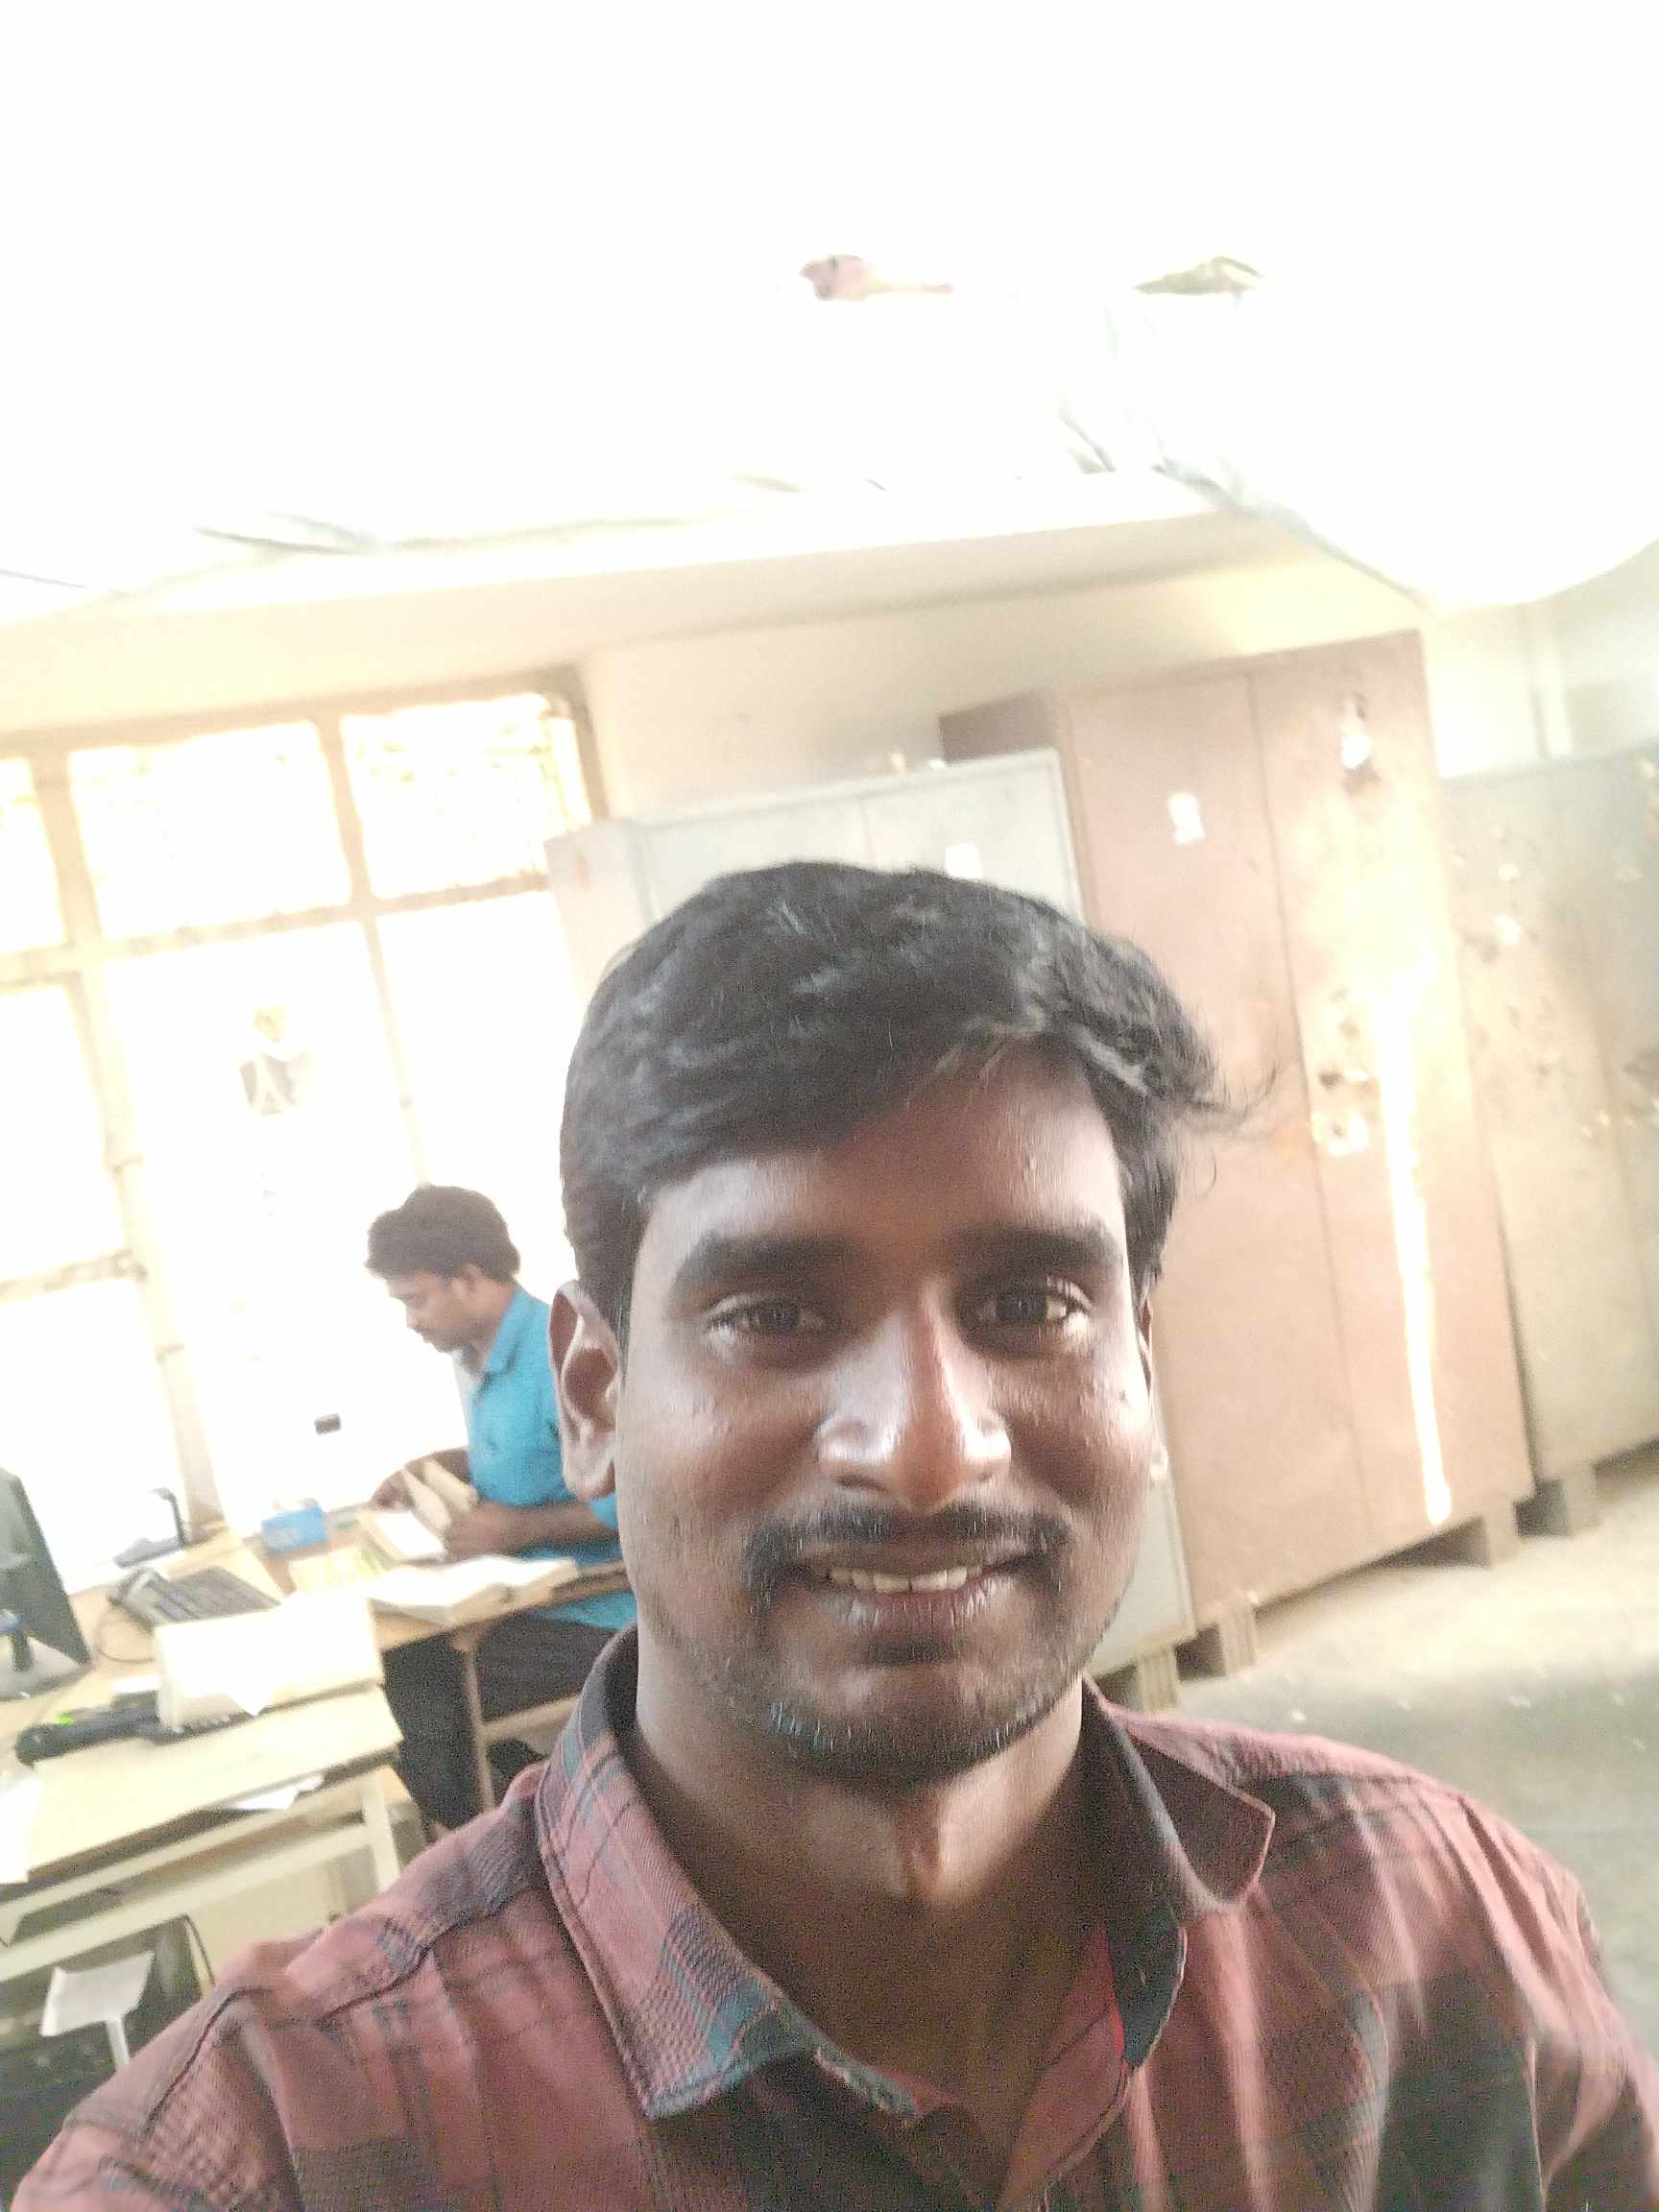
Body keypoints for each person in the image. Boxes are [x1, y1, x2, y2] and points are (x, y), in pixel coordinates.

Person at [22, 864, 1658, 2209]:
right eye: (778, 1314)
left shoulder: (1430, 1931)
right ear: (593, 1393)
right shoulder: (277, 2158)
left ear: (1141, 1367)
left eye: (1029, 1303)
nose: (929, 1446)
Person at [364, 1184, 633, 1829]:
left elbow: (636, 1501)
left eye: (416, 1300)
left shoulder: (565, 1355)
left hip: (593, 1609)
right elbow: (522, 1452)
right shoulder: (473, 1356)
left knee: (417, 1702)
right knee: (394, 1671)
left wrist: (518, 1530)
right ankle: (526, 1810)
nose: (411, 1321)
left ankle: (519, 1832)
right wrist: (431, 1468)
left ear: (470, 1277)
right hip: (512, 1598)